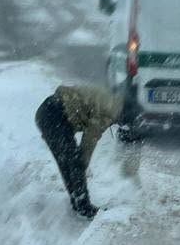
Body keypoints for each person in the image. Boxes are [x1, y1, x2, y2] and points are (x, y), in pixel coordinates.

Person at [35, 83, 122, 218]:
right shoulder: (112, 109)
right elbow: (90, 138)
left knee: (66, 162)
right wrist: (82, 166)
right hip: (55, 114)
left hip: (46, 111)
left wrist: (78, 169)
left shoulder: (110, 99)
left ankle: (77, 201)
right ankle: (83, 206)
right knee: (74, 161)